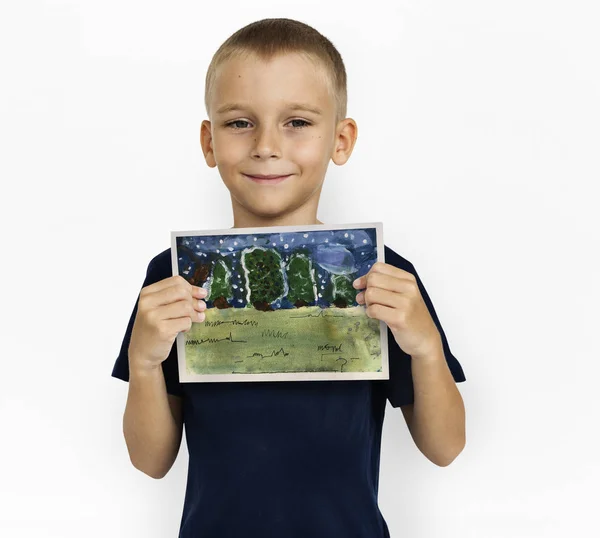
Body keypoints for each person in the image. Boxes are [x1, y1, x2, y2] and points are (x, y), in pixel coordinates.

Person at [111, 17, 467, 538]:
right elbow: (151, 460)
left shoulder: (384, 276)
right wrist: (144, 363)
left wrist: (427, 349)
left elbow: (445, 447)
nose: (266, 145)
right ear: (209, 143)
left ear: (340, 140)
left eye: (297, 122)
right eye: (240, 123)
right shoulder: (174, 277)